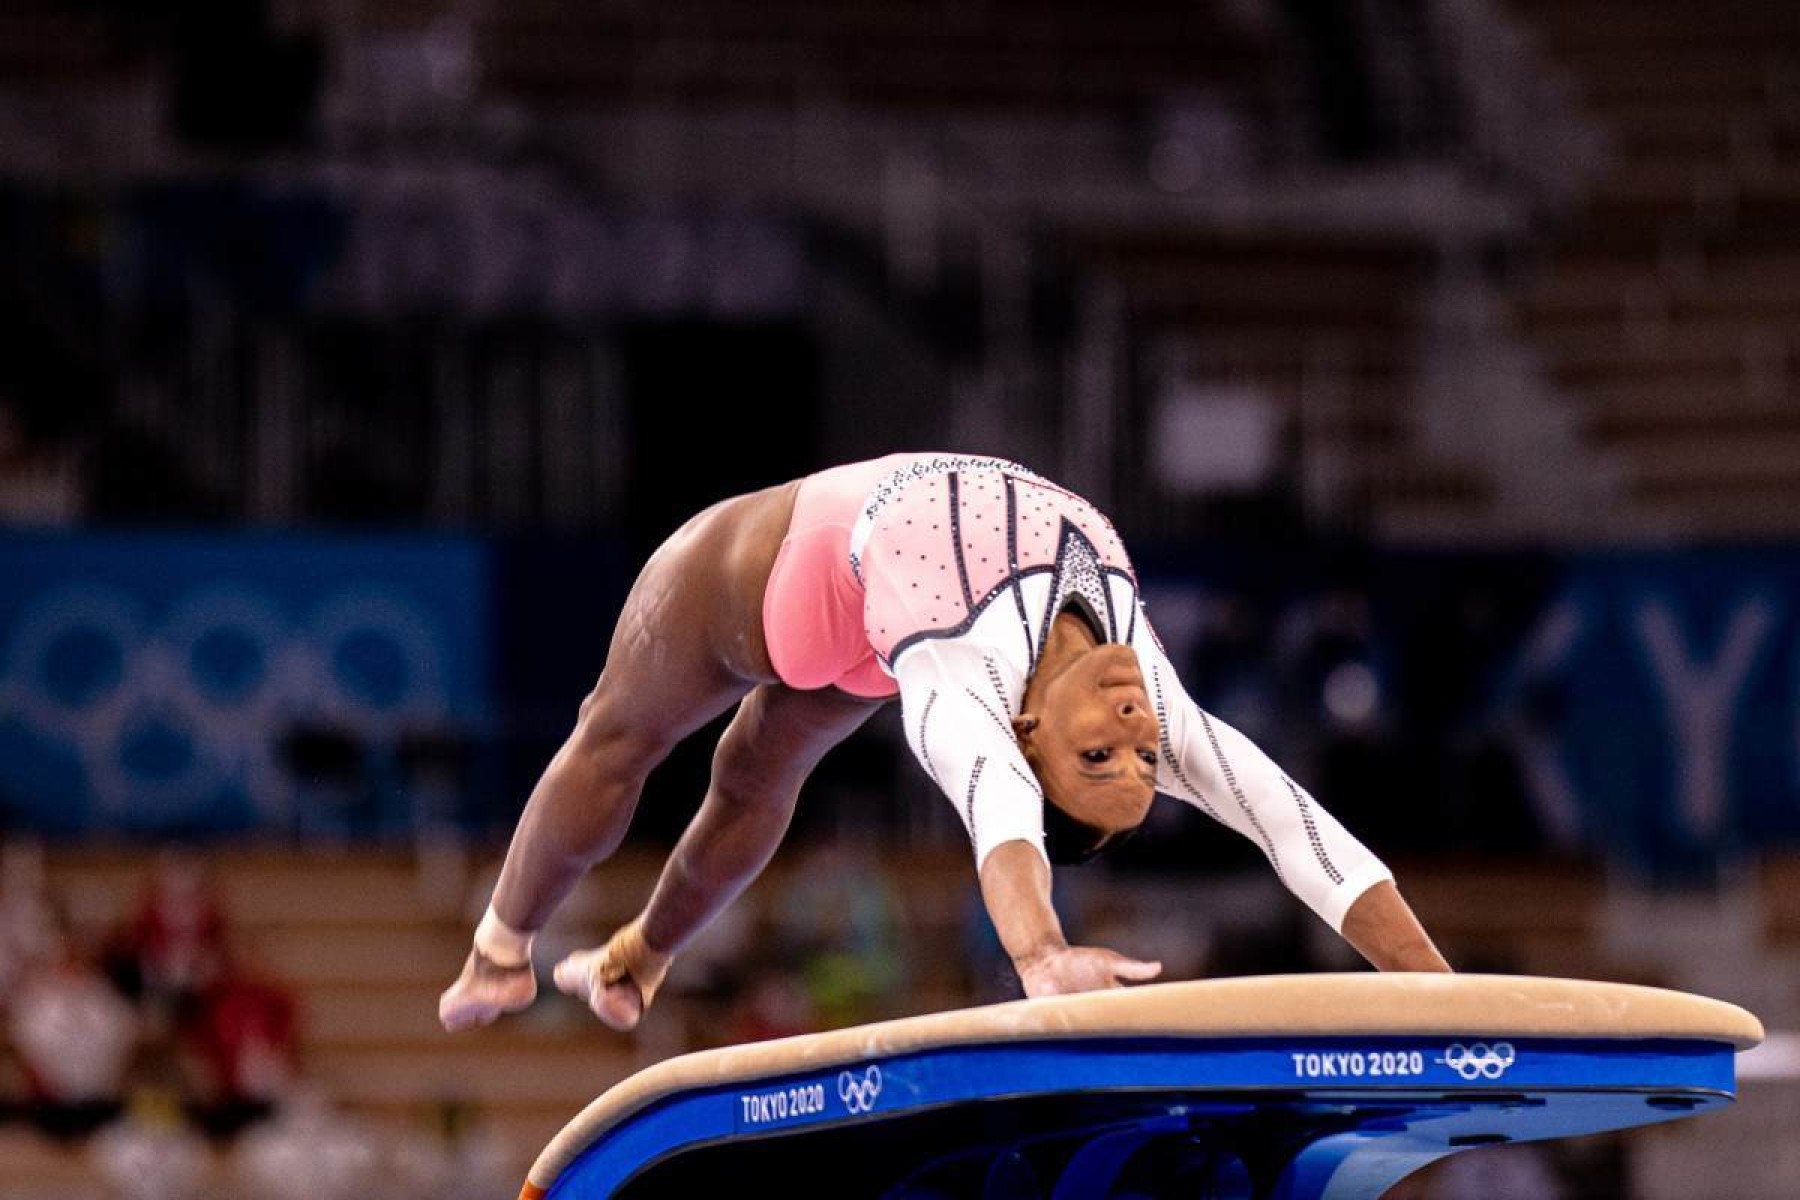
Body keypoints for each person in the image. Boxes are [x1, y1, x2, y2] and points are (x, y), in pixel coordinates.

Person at [439, 453, 1450, 1034]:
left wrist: (1038, 952)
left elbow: (1000, 820)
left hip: (814, 600)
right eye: (1139, 761)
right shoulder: (1149, 688)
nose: (1139, 734)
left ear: (1024, 738)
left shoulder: (964, 690)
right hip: (798, 580)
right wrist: (1441, 990)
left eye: (1103, 759)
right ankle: (503, 950)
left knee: (746, 776)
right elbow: (1294, 826)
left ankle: (632, 958)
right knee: (625, 740)